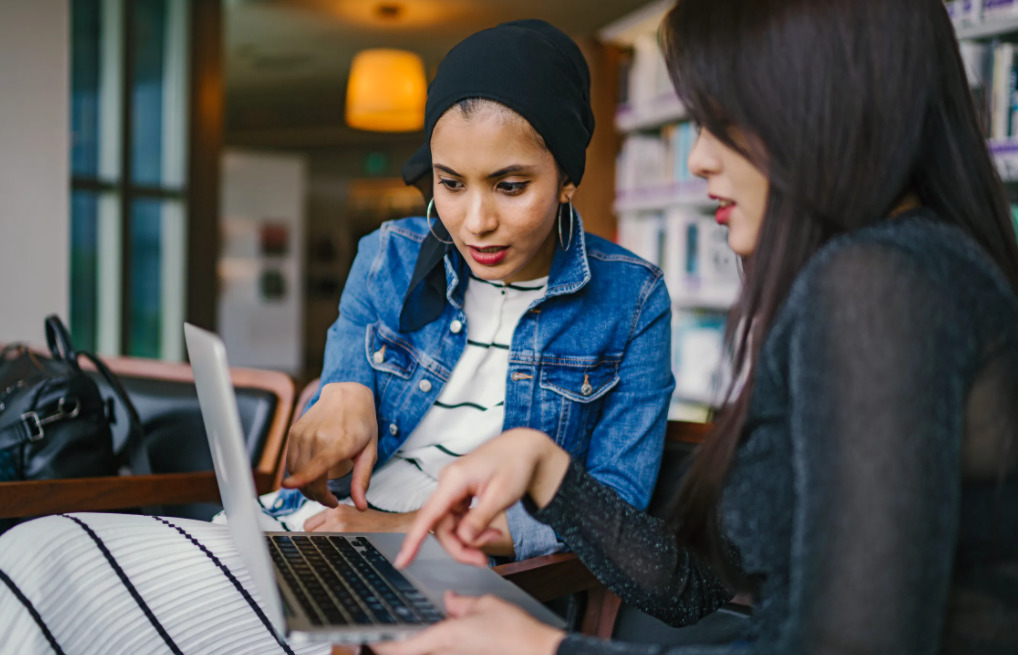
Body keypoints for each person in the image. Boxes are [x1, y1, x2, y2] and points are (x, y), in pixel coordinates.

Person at [0, 19, 674, 655]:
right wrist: (341, 387)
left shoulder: (632, 299)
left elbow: (608, 520)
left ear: (568, 179)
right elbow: (344, 378)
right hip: (314, 530)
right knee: (36, 554)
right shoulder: (390, 252)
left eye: (510, 185)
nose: (475, 221)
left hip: (452, 574)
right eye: (448, 183)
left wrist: (402, 530)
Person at [375, 1, 1018, 654]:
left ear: (820, 103)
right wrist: (549, 474)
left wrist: (543, 649)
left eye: (721, 122)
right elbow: (690, 588)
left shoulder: (879, 283)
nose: (700, 159)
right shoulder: (900, 269)